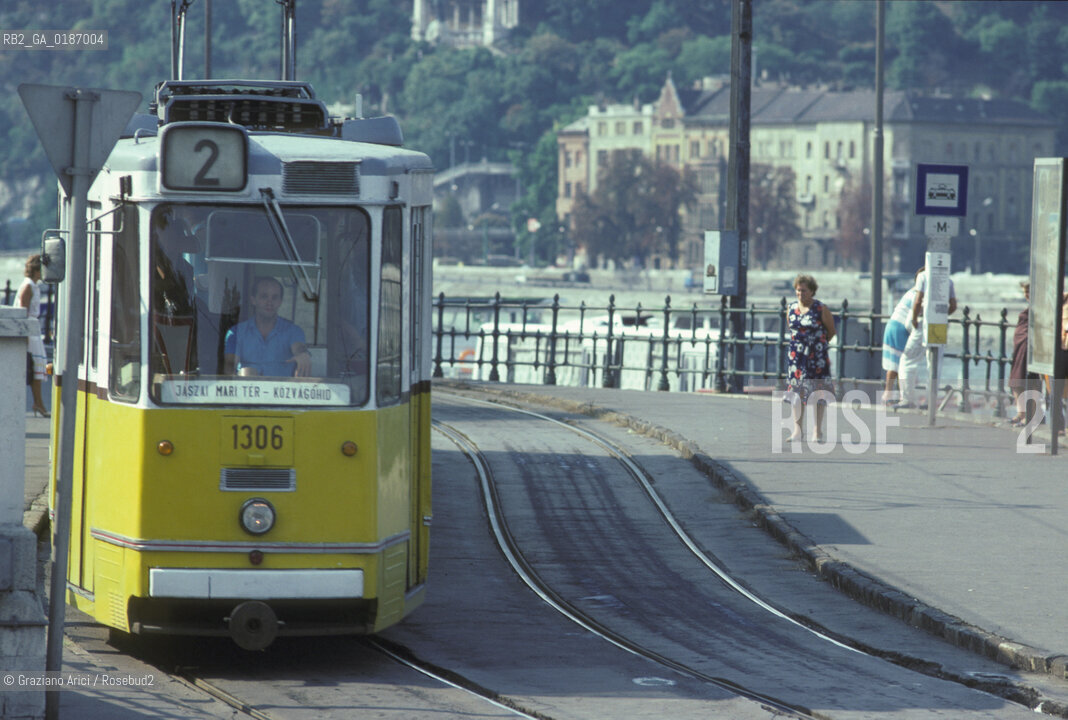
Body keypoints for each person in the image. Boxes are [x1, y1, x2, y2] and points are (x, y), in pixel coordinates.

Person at [224, 277, 311, 377]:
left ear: (280, 301)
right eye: (264, 296)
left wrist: (303, 354)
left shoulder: (293, 331)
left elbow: (299, 348)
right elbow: (229, 367)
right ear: (253, 300)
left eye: (274, 297)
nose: (269, 302)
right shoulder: (236, 332)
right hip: (247, 390)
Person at [897, 267, 957, 410]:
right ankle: (930, 402)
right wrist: (942, 314)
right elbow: (953, 305)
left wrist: (914, 319)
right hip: (940, 324)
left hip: (923, 323)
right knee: (935, 364)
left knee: (907, 361)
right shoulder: (947, 280)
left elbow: (917, 301)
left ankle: (907, 399)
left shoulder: (923, 276)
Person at [785, 273, 836, 441]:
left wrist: (817, 344)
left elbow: (831, 330)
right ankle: (797, 430)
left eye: (804, 291)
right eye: (798, 291)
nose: (801, 294)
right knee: (797, 394)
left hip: (817, 358)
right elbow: (791, 329)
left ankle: (817, 431)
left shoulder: (821, 308)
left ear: (812, 291)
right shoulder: (791, 308)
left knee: (818, 393)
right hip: (797, 359)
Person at [880, 267, 924, 404]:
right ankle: (901, 397)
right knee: (902, 364)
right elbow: (910, 320)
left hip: (892, 325)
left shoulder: (911, 292)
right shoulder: (918, 295)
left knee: (893, 363)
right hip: (900, 329)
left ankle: (888, 395)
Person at [17, 254, 49, 417]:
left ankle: (39, 402)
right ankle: (38, 403)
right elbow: (23, 310)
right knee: (35, 368)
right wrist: (26, 335)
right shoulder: (28, 286)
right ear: (37, 270)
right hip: (30, 331)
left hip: (34, 330)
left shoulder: (33, 286)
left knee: (37, 369)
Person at [1007, 281, 1039, 426]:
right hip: (1020, 348)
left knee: (1030, 381)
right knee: (1016, 380)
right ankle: (1021, 413)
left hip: (1031, 348)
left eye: (1029, 292)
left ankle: (1030, 415)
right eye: (1025, 292)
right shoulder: (1028, 310)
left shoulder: (1040, 309)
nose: (1027, 295)